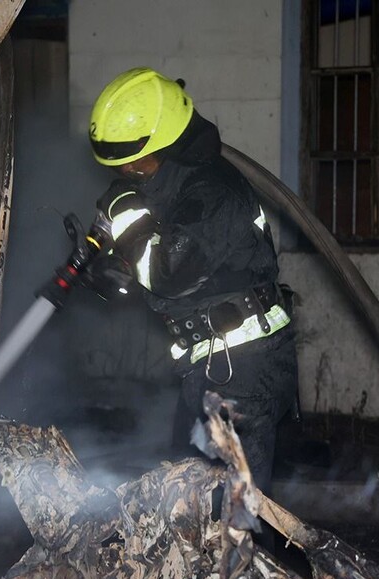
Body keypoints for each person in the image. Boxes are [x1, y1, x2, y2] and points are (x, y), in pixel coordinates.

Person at [87, 67, 299, 499]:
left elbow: (169, 272)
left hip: (242, 369)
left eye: (134, 161)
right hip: (207, 367)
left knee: (232, 518)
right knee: (185, 504)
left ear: (167, 142)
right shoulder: (164, 188)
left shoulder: (214, 191)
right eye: (121, 165)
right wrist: (115, 270)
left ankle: (239, 568)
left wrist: (128, 223)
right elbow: (153, 267)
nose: (128, 170)